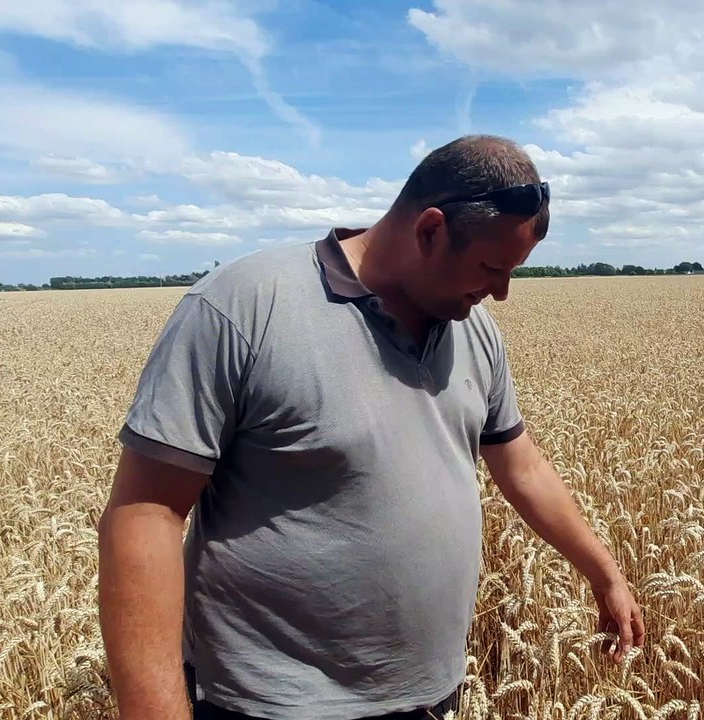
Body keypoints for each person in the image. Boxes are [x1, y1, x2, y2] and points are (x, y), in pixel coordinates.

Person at [97, 134, 645, 720]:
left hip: (429, 695)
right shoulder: (244, 307)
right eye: (491, 267)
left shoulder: (474, 331)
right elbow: (145, 515)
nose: (501, 294)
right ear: (431, 229)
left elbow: (522, 464)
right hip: (270, 704)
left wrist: (603, 571)